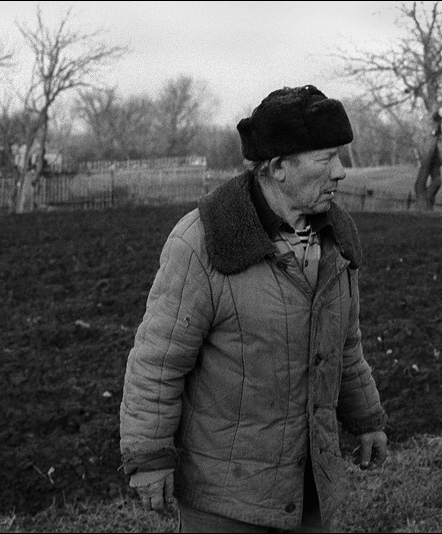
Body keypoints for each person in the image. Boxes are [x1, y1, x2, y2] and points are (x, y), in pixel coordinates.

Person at [120, 84, 388, 533]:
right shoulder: (202, 242)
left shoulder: (337, 239)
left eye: (341, 156)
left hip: (309, 489)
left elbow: (346, 346)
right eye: (327, 159)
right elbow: (157, 361)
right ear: (280, 167)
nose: (341, 172)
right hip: (225, 500)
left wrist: (367, 419)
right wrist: (148, 457)